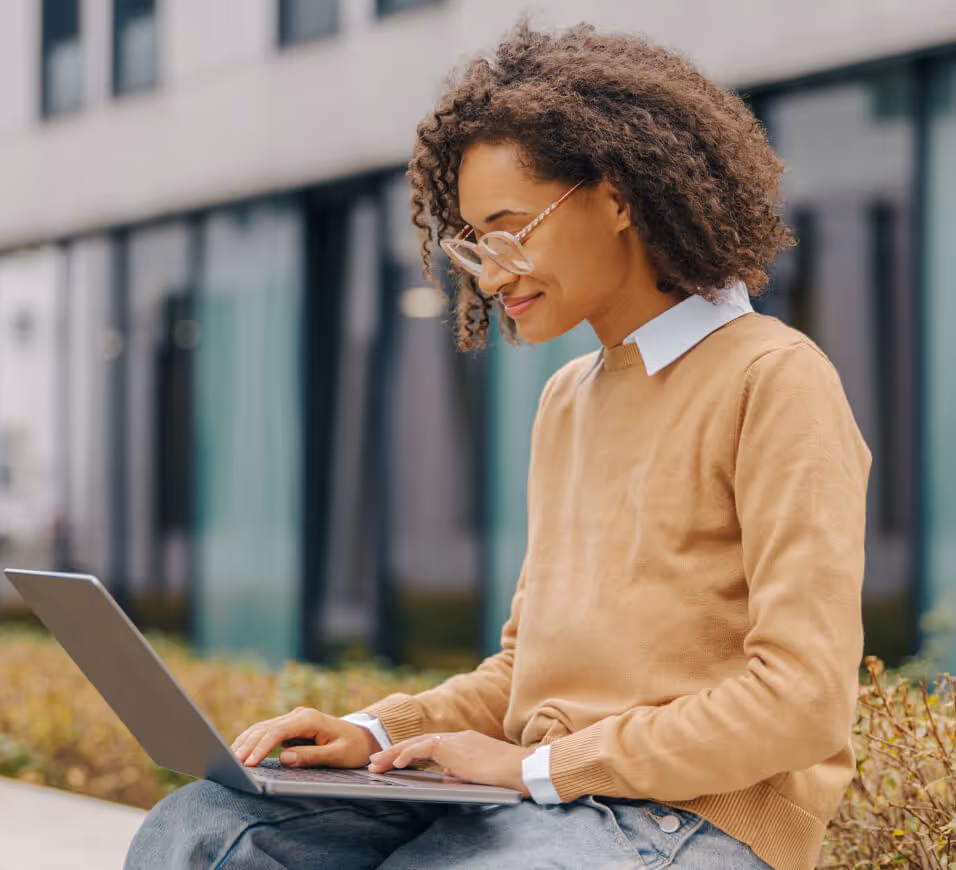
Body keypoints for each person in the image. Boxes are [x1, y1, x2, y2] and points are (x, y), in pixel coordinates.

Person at [124, 20, 870, 870]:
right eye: (474, 242)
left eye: (512, 229)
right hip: (547, 798)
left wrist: (537, 768)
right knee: (206, 829)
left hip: (691, 821)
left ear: (617, 196)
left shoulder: (775, 378)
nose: (491, 272)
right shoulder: (567, 400)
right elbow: (527, 670)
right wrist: (374, 731)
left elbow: (802, 700)